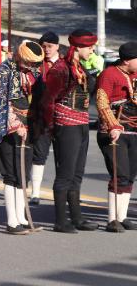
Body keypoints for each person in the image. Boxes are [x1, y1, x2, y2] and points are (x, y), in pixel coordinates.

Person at [41, 29, 99, 233]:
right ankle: (60, 220)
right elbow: (48, 100)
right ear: (79, 47)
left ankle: (77, 217)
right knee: (65, 174)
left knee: (77, 174)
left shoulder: (80, 67)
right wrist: (51, 127)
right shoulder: (61, 69)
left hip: (82, 123)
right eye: (90, 47)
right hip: (66, 125)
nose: (92, 51)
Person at [0, 40, 44, 235]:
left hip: (29, 127)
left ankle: (22, 216)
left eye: (34, 65)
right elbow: (0, 103)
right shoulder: (3, 72)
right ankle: (12, 221)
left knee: (23, 175)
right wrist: (15, 124)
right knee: (11, 174)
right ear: (20, 57)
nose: (32, 68)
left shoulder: (34, 73)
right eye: (29, 63)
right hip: (8, 128)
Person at [95, 42, 137, 232]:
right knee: (119, 175)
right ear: (127, 60)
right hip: (113, 132)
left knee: (129, 176)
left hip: (134, 131)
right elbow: (102, 102)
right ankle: (112, 219)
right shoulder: (108, 74)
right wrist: (113, 125)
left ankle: (123, 216)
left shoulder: (134, 75)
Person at [30, 31, 61, 205]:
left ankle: (61, 191)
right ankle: (35, 192)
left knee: (62, 156)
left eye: (50, 46)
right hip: (41, 117)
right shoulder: (36, 66)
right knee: (39, 155)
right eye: (44, 46)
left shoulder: (64, 65)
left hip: (61, 116)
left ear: (57, 46)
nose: (47, 50)